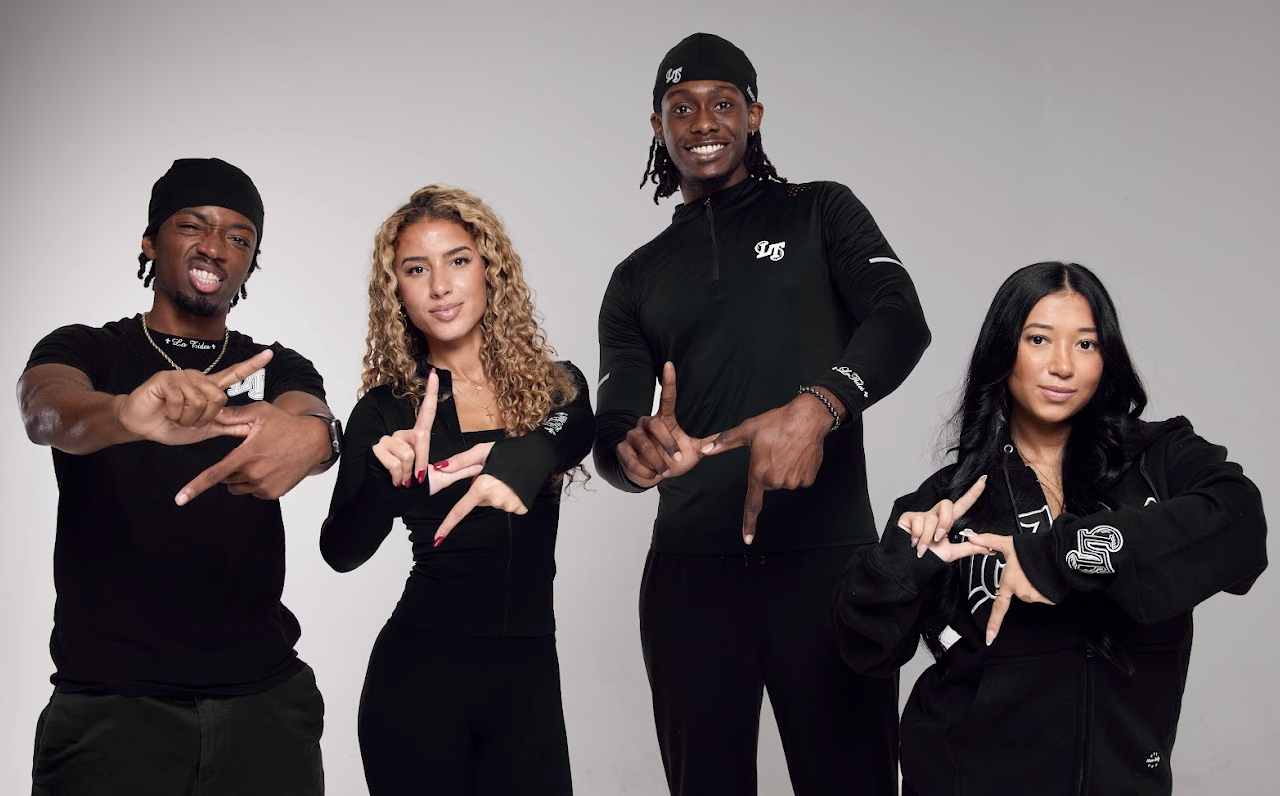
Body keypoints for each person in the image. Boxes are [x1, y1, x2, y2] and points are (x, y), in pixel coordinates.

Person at [594, 32, 931, 796]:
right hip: (691, 577)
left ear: (754, 114)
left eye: (722, 103)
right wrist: (634, 454)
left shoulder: (821, 211)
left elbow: (900, 317)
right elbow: (612, 435)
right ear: (658, 126)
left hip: (825, 563)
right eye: (681, 108)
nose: (703, 121)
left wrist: (819, 406)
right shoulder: (636, 278)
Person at [830, 261, 1268, 795]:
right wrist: (902, 561)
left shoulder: (1158, 458)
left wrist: (1058, 555)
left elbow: (1241, 524)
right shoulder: (951, 497)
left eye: (1085, 344)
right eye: (1038, 339)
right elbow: (861, 649)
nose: (1062, 365)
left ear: (1107, 359)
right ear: (1003, 352)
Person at [18, 158, 338, 794]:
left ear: (251, 262)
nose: (216, 247)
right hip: (110, 712)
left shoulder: (275, 365)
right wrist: (123, 414)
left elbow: (312, 420)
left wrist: (313, 437)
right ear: (150, 242)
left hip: (264, 708)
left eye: (239, 237)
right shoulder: (89, 349)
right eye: (193, 225)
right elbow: (45, 409)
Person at [320, 185, 593, 796]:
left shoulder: (554, 387)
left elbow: (576, 425)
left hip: (527, 682)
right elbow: (340, 550)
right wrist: (391, 485)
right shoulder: (386, 409)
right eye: (417, 269)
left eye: (458, 260)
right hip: (421, 679)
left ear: (490, 268)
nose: (440, 286)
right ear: (397, 291)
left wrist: (517, 460)